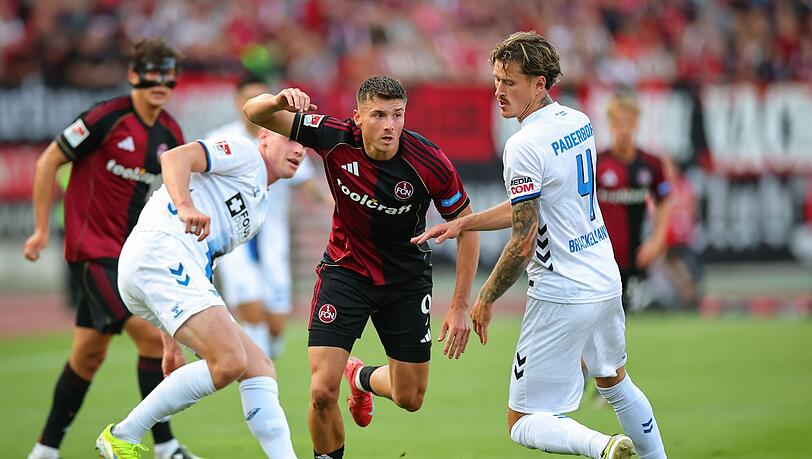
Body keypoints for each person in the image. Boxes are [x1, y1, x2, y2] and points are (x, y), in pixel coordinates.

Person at [414, 31, 667, 459]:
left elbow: (523, 238)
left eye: (510, 82)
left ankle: (604, 447)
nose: (499, 91)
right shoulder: (578, 120)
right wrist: (465, 223)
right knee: (616, 382)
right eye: (496, 80)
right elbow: (533, 207)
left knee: (523, 421)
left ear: (540, 83)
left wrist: (485, 298)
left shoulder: (523, 144)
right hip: (603, 279)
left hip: (562, 290)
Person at [243, 75, 480, 459]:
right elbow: (253, 112)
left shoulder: (430, 162)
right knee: (321, 391)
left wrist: (459, 305)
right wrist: (277, 101)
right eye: (379, 115)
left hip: (405, 282)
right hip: (345, 271)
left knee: (410, 397)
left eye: (397, 115)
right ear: (358, 118)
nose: (389, 125)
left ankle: (362, 377)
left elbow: (468, 229)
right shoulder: (333, 136)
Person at [22, 37, 201, 459]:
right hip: (89, 253)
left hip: (129, 255)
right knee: (153, 341)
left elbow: (175, 189)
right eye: (151, 73)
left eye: (167, 75)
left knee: (86, 357)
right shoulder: (106, 117)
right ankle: (165, 446)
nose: (160, 82)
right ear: (134, 75)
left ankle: (43, 451)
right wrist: (41, 230)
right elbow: (48, 161)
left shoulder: (170, 132)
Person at [96, 129, 301, 459]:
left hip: (168, 268)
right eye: (290, 139)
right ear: (264, 137)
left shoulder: (259, 208)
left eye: (303, 143)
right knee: (229, 361)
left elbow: (204, 262)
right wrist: (185, 206)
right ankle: (124, 434)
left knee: (258, 365)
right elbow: (174, 157)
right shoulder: (244, 152)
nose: (299, 150)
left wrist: (170, 341)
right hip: (161, 251)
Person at [208, 73, 328, 358]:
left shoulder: (286, 137)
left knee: (275, 324)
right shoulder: (220, 139)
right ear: (238, 102)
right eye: (250, 97)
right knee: (252, 310)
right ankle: (255, 377)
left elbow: (309, 184)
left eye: (262, 95)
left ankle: (261, 362)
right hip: (234, 238)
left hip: (273, 238)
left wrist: (342, 209)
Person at [596, 94, 672, 311]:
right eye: (618, 122)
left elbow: (665, 201)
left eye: (628, 123)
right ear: (610, 125)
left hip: (638, 258)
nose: (624, 129)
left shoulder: (651, 163)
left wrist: (656, 241)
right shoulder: (597, 162)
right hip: (603, 261)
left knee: (637, 320)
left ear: (637, 124)